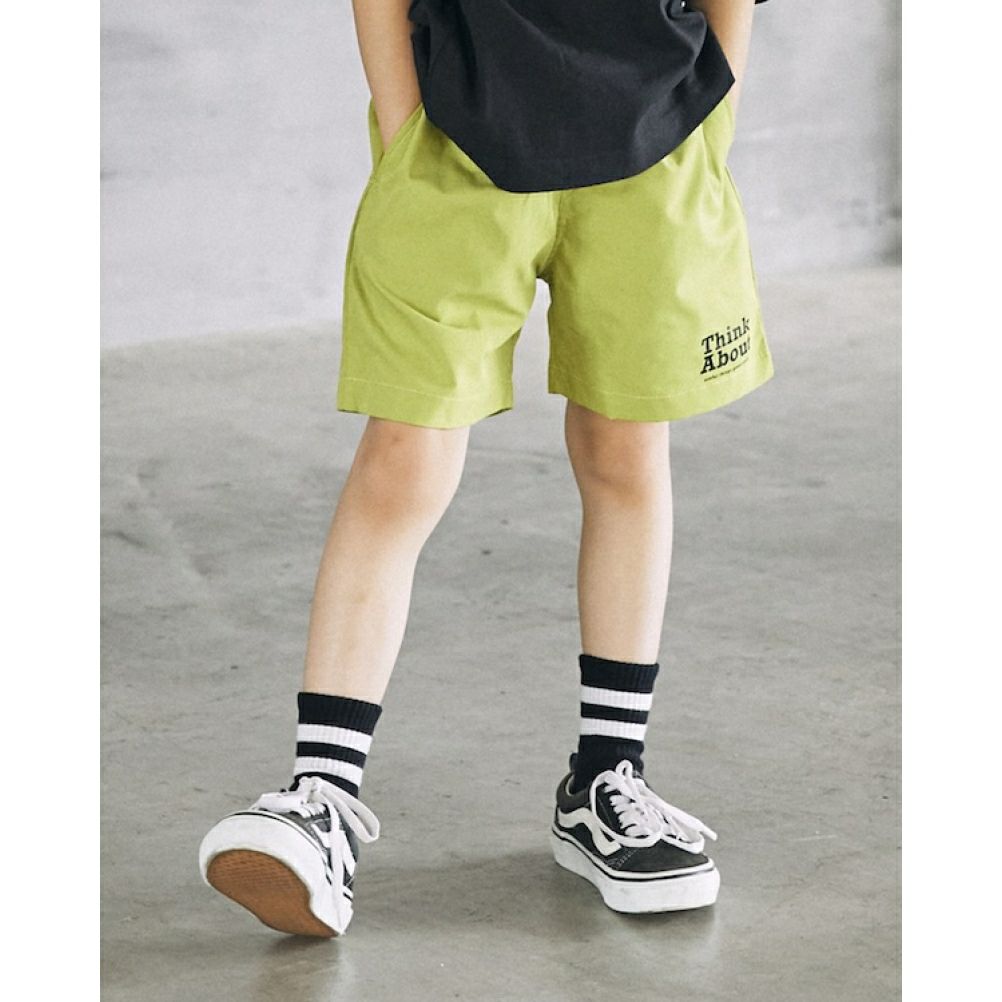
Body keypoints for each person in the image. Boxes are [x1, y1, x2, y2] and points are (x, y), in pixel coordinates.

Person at [198, 0, 775, 938]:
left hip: (660, 141)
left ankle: (606, 780)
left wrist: (714, 118)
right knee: (404, 461)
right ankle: (321, 797)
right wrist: (405, 129)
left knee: (627, 452)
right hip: (455, 143)